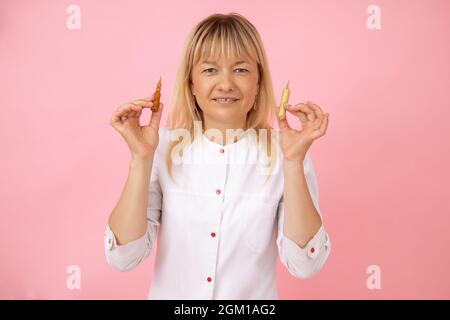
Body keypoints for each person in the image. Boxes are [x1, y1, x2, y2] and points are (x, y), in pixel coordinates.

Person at [105, 12, 331, 300]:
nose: (225, 84)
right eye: (210, 70)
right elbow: (123, 257)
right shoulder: (160, 148)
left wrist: (294, 163)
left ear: (259, 82)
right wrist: (140, 159)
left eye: (240, 69)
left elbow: (305, 265)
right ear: (191, 85)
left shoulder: (286, 153)